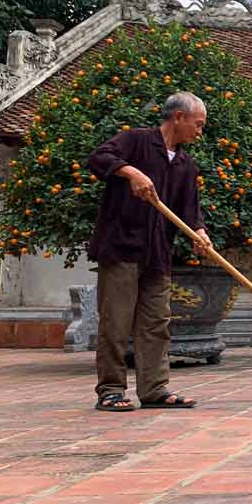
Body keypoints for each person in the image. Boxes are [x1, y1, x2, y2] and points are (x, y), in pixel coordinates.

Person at [87, 92, 213, 412]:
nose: (200, 132)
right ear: (178, 117)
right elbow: (99, 157)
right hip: (122, 248)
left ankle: (155, 388)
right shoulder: (135, 141)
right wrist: (130, 172)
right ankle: (111, 390)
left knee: (157, 322)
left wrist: (199, 233)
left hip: (158, 253)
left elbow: (189, 210)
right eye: (197, 125)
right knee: (116, 322)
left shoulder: (186, 164)